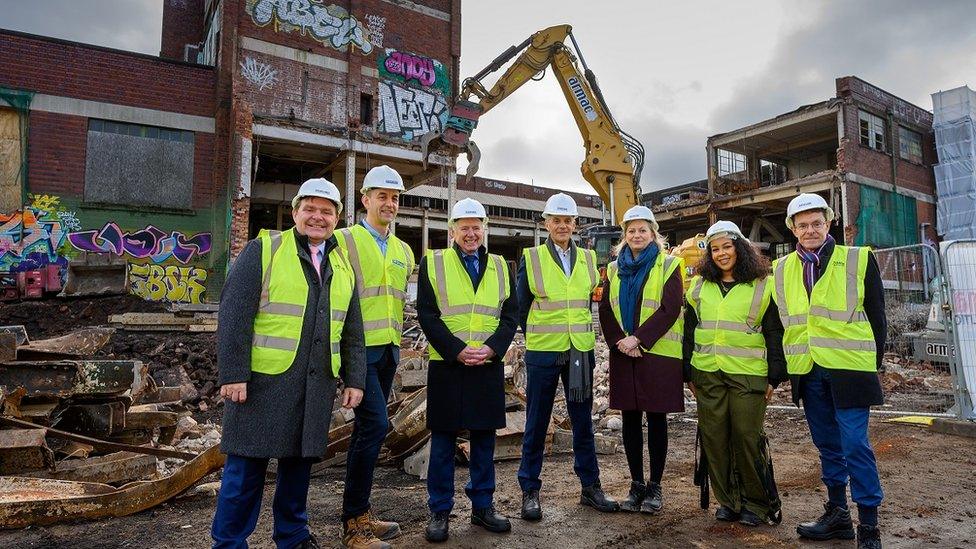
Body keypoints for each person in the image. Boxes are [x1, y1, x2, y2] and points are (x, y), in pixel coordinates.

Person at [212, 178, 365, 549]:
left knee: (298, 468)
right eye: (309, 209)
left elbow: (352, 329)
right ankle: (229, 542)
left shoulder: (341, 264)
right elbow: (234, 317)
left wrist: (355, 379)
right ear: (295, 212)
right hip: (262, 384)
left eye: (326, 211)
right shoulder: (264, 250)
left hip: (315, 383)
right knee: (245, 471)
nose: (318, 217)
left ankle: (292, 535)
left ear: (337, 219)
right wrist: (234, 374)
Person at [771, 193, 885, 549]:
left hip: (849, 370)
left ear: (829, 222)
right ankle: (838, 515)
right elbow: (781, 322)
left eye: (816, 223)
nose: (810, 230)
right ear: (792, 229)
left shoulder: (857, 259)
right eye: (802, 225)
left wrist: (872, 365)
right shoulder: (782, 268)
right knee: (827, 446)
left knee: (855, 445)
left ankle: (868, 525)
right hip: (808, 369)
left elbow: (878, 317)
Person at [417, 198, 518, 543]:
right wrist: (457, 351)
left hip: (487, 363)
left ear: (484, 229)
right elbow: (427, 315)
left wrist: (493, 348)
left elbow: (510, 315)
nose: (471, 233)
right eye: (465, 227)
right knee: (443, 441)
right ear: (453, 231)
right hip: (447, 364)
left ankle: (483, 505)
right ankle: (440, 510)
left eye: (477, 227)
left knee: (484, 441)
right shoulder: (434, 262)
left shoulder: (503, 266)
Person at [515, 193, 619, 521]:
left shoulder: (589, 259)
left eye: (568, 220)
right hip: (544, 352)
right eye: (556, 220)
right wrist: (535, 335)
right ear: (546, 223)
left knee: (582, 421)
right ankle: (529, 490)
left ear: (575, 224)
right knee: (536, 422)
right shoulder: (531, 258)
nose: (562, 225)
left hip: (579, 351)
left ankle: (591, 486)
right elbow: (519, 307)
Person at [683, 220, 786, 527]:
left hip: (748, 374)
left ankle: (756, 503)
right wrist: (686, 371)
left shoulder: (762, 285)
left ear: (740, 248)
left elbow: (774, 332)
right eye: (715, 249)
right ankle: (728, 500)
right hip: (707, 373)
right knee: (714, 437)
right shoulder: (700, 286)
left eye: (727, 246)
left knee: (746, 436)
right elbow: (689, 330)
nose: (721, 254)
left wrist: (775, 377)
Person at [335, 165, 415, 549]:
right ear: (364, 199)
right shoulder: (344, 241)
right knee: (376, 426)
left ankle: (359, 514)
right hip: (357, 351)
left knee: (367, 431)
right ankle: (353, 525)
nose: (389, 203)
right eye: (382, 196)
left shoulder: (403, 250)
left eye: (395, 197)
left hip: (388, 351)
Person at [598, 205, 684, 514]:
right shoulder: (613, 269)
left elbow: (670, 309)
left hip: (657, 354)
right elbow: (605, 308)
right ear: (624, 236)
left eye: (642, 230)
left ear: (653, 234)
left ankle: (655, 487)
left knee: (656, 420)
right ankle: (636, 485)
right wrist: (620, 342)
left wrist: (640, 339)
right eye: (631, 230)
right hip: (624, 352)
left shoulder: (670, 264)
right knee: (630, 420)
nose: (637, 235)